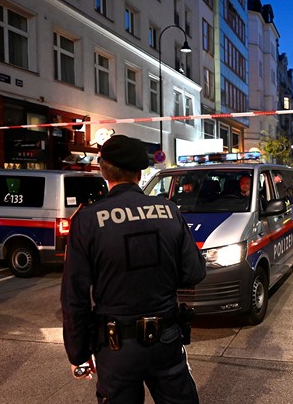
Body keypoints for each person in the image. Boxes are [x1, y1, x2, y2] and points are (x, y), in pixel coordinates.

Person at [61, 134, 206, 404]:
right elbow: (194, 273)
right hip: (166, 340)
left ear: (103, 171)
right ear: (140, 173)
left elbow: (74, 297)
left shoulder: (87, 220)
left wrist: (78, 354)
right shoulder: (169, 211)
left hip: (115, 348)